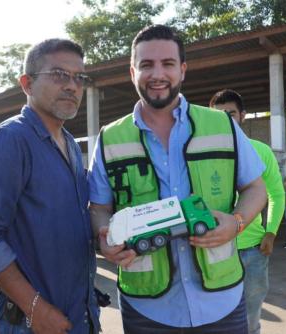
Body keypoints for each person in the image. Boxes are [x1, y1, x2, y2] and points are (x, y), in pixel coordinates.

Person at [88, 25, 267, 333]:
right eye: (146, 65)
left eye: (168, 64)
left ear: (182, 70)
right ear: (132, 72)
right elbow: (99, 207)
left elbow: (256, 189)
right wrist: (106, 240)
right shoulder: (109, 138)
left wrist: (237, 222)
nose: (157, 74)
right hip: (146, 306)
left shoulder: (222, 125)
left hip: (222, 299)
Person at [0, 39, 100, 334]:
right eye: (60, 74)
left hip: (79, 313)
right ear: (27, 84)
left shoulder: (71, 145)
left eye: (79, 78)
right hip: (34, 322)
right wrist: (35, 308)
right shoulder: (11, 141)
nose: (73, 86)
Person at [209, 89, 285, 334]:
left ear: (243, 115)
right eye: (218, 115)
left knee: (250, 321)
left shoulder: (260, 151)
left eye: (231, 114)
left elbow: (276, 194)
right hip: (213, 251)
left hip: (253, 253)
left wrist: (271, 232)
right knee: (213, 319)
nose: (226, 120)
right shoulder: (201, 154)